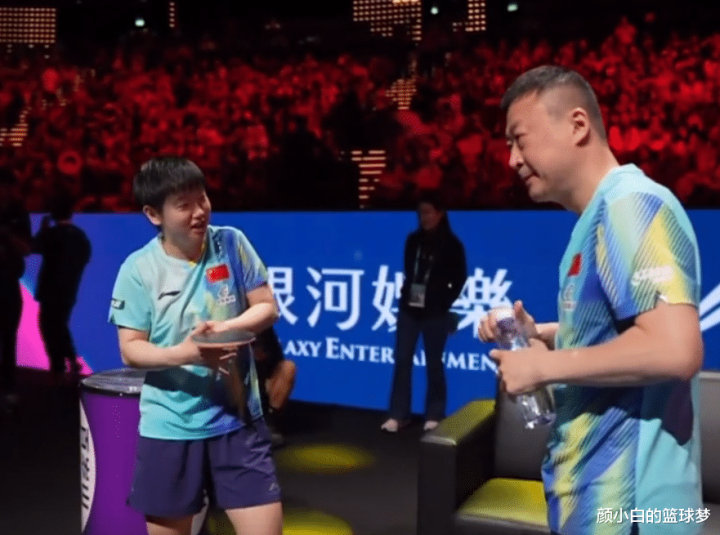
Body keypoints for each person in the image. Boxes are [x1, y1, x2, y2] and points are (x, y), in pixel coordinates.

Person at [478, 65, 703, 535]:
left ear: (577, 125)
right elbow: (623, 332)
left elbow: (674, 349)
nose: (512, 160)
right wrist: (545, 335)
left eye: (520, 139)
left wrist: (543, 367)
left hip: (632, 512)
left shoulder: (632, 205)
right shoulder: (598, 216)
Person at [108, 157, 283, 535]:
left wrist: (224, 329)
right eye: (184, 205)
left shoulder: (231, 243)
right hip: (170, 428)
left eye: (201, 198)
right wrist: (187, 353)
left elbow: (267, 307)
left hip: (239, 421)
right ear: (154, 214)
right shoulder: (137, 270)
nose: (199, 211)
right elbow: (131, 349)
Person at [381, 190, 467, 433]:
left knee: (434, 363)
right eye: (421, 213)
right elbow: (410, 271)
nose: (424, 217)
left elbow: (460, 277)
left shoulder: (452, 245)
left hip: (436, 312)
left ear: (440, 214)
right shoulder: (413, 240)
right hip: (409, 309)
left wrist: (444, 300)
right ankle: (398, 414)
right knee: (402, 360)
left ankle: (434, 413)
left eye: (429, 212)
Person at [34, 190, 92, 383]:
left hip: (50, 291)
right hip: (69, 291)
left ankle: (58, 366)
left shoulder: (51, 235)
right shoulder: (80, 237)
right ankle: (70, 360)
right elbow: (85, 258)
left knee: (49, 327)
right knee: (59, 325)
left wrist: (43, 229)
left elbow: (34, 247)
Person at [0, 167, 31, 410]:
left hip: (9, 283)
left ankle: (8, 388)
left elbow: (26, 249)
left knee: (8, 338)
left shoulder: (18, 214)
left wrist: (7, 235)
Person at [252, 326, 297, 448]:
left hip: (261, 384)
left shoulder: (265, 330)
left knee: (288, 368)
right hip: (236, 383)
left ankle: (269, 423)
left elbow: (275, 361)